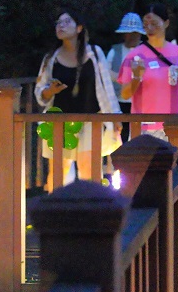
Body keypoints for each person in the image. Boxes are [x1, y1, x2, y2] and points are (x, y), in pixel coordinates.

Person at [35, 11, 121, 184]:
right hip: (59, 122)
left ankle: (91, 210)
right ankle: (55, 210)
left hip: (91, 121)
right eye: (58, 22)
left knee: (90, 173)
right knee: (58, 175)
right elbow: (40, 91)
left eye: (67, 22)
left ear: (79, 28)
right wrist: (50, 91)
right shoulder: (51, 58)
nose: (61, 25)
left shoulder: (94, 54)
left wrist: (115, 117)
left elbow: (106, 87)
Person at [118, 4, 178, 136]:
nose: (150, 28)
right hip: (144, 125)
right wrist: (136, 77)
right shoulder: (135, 55)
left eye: (154, 23)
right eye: (146, 24)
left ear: (166, 23)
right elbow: (125, 94)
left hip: (175, 124)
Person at [108, 12, 145, 142]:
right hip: (119, 103)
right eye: (129, 33)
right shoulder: (114, 51)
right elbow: (106, 74)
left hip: (142, 103)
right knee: (120, 138)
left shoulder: (147, 51)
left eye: (135, 32)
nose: (132, 36)